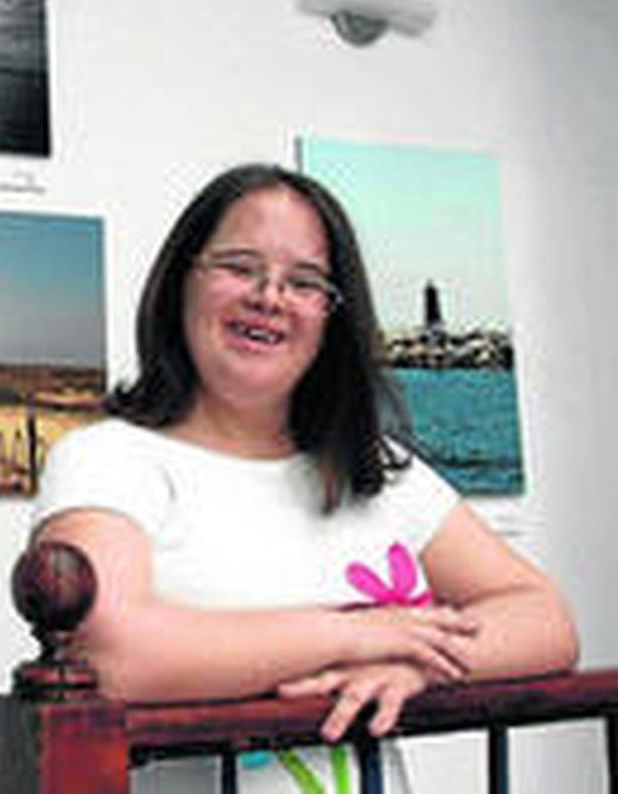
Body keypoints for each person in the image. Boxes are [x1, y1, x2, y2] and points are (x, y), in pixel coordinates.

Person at [31, 164, 578, 792]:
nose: (269, 295)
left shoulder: (377, 469)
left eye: (305, 281)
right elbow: (109, 653)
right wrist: (357, 633)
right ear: (181, 280)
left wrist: (418, 665)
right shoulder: (107, 460)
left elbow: (545, 620)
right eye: (239, 266)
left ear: (331, 315)